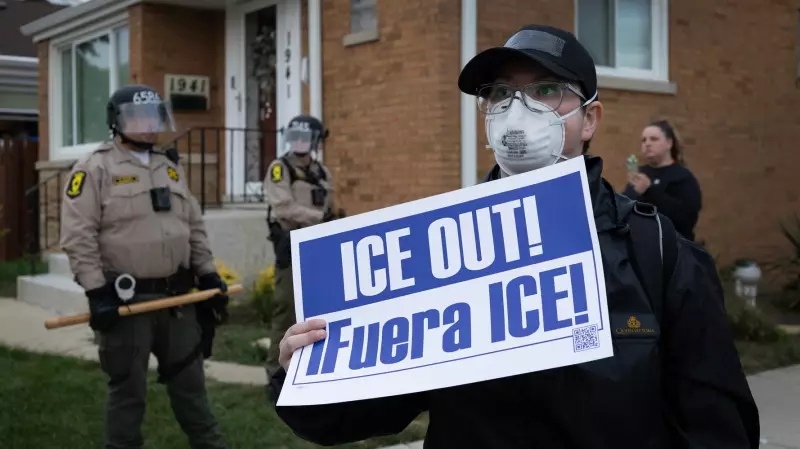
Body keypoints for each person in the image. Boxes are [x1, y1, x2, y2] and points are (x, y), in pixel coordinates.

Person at [268, 25, 760, 449]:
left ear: (589, 119)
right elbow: (361, 413)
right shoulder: (440, 251)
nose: (518, 109)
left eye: (546, 90)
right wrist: (304, 374)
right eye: (500, 94)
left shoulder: (656, 251)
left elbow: (719, 427)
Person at [60, 84, 230, 449]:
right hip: (128, 304)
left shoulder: (169, 167)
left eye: (154, 116)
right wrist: (96, 292)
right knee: (128, 392)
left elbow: (193, 227)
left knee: (192, 387)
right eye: (138, 117)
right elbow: (78, 236)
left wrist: (208, 275)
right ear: (117, 122)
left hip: (178, 301)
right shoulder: (94, 168)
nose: (149, 125)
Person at [263, 114, 337, 383]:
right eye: (294, 137)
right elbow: (283, 207)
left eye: (305, 138)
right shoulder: (280, 168)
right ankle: (276, 374)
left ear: (315, 141)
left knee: (321, 307)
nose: (299, 142)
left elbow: (330, 204)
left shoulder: (322, 171)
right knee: (286, 309)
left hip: (319, 246)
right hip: (292, 245)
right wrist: (319, 218)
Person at [624, 120, 703, 241]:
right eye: (644, 140)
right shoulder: (641, 173)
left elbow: (686, 218)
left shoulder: (682, 177)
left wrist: (649, 191)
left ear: (669, 143)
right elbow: (624, 209)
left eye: (654, 139)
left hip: (674, 246)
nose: (647, 144)